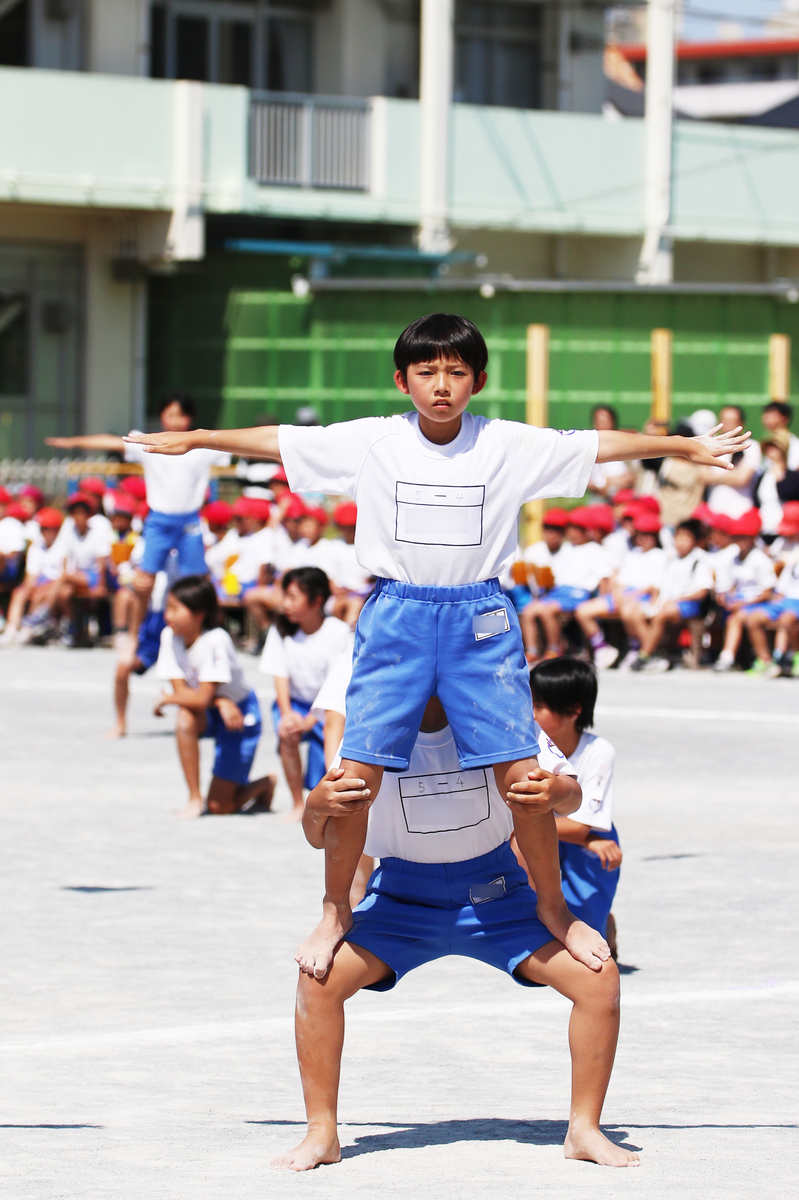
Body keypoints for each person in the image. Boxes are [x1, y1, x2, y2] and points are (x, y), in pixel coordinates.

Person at [125, 310, 750, 980]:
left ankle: (552, 907)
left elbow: (596, 445)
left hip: (480, 619)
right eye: (426, 372)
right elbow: (278, 440)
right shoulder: (372, 442)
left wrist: (682, 449)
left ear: (477, 380)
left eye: (455, 372)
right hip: (397, 616)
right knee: (353, 778)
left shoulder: (505, 443)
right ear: (402, 380)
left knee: (526, 782)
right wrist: (196, 438)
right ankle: (337, 907)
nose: (441, 385)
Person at [273, 693, 638, 1173]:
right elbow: (319, 831)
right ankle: (321, 1132)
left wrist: (556, 794)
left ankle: (585, 1129)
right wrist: (316, 805)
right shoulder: (375, 726)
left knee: (598, 977)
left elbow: (571, 791)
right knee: (317, 983)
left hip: (495, 893)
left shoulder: (497, 713)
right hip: (400, 897)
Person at [46, 391, 231, 647]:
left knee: (199, 583)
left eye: (181, 415)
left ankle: (206, 635)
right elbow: (112, 442)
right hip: (159, 523)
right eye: (170, 415)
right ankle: (134, 636)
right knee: (144, 583)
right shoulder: (149, 443)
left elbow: (238, 444)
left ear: (190, 418)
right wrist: (73, 442)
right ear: (162, 417)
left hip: (189, 523)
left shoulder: (201, 445)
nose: (176, 421)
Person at [154, 575, 274, 818]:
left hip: (239, 712)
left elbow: (195, 698)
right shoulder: (169, 636)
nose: (168, 615)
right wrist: (219, 700)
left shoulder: (216, 640)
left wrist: (169, 699)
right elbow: (183, 694)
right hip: (216, 708)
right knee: (184, 718)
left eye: (176, 608)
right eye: (168, 607)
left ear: (199, 614)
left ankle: (266, 784)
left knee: (220, 807)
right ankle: (194, 798)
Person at [529, 657, 621, 957]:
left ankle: (604, 921)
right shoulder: (522, 744)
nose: (529, 713)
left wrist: (588, 837)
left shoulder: (598, 751)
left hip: (580, 844)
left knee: (582, 934)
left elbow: (582, 826)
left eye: (539, 705)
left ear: (573, 711)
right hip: (546, 837)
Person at [259, 567, 351, 822]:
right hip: (296, 704)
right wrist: (288, 715)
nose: (285, 604)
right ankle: (297, 803)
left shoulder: (338, 632)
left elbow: (337, 685)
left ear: (317, 600)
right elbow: (280, 677)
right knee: (285, 734)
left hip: (330, 706)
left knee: (328, 763)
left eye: (292, 596)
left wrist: (310, 720)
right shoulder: (281, 630)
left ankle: (325, 803)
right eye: (284, 596)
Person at [575, 510, 666, 669]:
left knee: (628, 612)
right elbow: (620, 581)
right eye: (639, 534)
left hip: (641, 596)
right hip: (623, 595)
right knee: (583, 611)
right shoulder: (632, 554)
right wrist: (617, 595)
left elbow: (653, 587)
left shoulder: (661, 555)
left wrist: (628, 597)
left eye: (646, 534)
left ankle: (642, 651)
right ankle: (602, 648)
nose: (641, 538)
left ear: (655, 536)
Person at [520, 508, 612, 661]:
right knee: (528, 611)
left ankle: (554, 649)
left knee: (548, 610)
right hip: (558, 591)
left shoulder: (595, 550)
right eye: (571, 529)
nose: (573, 534)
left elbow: (604, 577)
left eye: (577, 530)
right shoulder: (568, 549)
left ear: (586, 531)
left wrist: (602, 598)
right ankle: (531, 650)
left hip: (578, 593)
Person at [626, 518, 714, 672]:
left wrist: (677, 600)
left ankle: (645, 655)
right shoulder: (670, 560)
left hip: (688, 605)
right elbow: (659, 586)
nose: (681, 542)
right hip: (665, 602)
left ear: (695, 541)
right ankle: (654, 652)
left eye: (686, 538)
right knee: (635, 613)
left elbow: (702, 591)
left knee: (662, 615)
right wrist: (654, 600)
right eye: (679, 537)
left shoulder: (700, 560)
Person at [713, 509, 777, 672]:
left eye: (743, 538)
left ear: (752, 539)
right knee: (729, 615)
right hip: (739, 602)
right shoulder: (732, 558)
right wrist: (724, 597)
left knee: (736, 619)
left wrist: (743, 603)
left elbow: (768, 592)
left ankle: (730, 658)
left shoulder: (761, 560)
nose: (739, 542)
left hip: (759, 603)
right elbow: (728, 585)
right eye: (736, 538)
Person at [743, 501, 799, 677]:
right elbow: (784, 577)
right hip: (784, 598)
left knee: (787, 620)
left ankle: (795, 655)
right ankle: (765, 661)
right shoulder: (783, 544)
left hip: (796, 602)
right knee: (754, 618)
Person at [52, 492, 111, 645]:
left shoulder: (97, 532)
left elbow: (101, 562)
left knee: (65, 578)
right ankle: (76, 629)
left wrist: (101, 585)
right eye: (75, 513)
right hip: (77, 577)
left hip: (94, 576)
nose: (78, 517)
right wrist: (64, 579)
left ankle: (43, 613)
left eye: (81, 513)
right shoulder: (69, 532)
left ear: (88, 515)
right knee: (65, 593)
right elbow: (65, 558)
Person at [1, 507, 65, 644]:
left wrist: (41, 588)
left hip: (56, 585)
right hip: (39, 583)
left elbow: (63, 576)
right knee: (19, 592)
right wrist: (29, 587)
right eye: (42, 528)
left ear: (57, 529)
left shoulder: (64, 547)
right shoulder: (36, 547)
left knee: (39, 595)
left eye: (48, 528)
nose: (45, 532)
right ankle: (11, 630)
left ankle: (29, 629)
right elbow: (31, 574)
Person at [704, 404, 761, 518]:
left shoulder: (751, 446)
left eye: (732, 420)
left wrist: (715, 477)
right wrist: (732, 476)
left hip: (740, 513)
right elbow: (703, 476)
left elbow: (742, 479)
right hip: (714, 512)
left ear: (741, 423)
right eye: (724, 420)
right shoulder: (710, 445)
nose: (727, 424)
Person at [753, 429, 799, 537]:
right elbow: (756, 503)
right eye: (769, 448)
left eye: (775, 447)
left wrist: (779, 477)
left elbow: (786, 494)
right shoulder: (762, 476)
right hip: (764, 530)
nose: (771, 451)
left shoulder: (793, 476)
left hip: (787, 533)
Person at [762, 400, 799, 470]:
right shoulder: (767, 443)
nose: (766, 417)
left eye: (772, 414)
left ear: (784, 418)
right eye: (765, 414)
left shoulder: (795, 444)